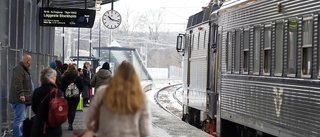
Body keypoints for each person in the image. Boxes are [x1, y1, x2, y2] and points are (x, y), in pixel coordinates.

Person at [85, 61, 151, 137]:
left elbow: (89, 120)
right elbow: (145, 131)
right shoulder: (141, 97)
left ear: (116, 75)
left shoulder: (102, 92)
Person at [31, 68, 62, 137]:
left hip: (39, 124)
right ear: (53, 78)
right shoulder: (57, 92)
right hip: (54, 125)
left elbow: (34, 108)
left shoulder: (37, 91)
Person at [9, 54, 33, 137]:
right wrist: (21, 94)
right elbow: (18, 82)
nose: (31, 63)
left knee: (20, 119)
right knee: (19, 120)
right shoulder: (19, 69)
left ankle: (18, 135)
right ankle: (16, 135)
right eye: (31, 61)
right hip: (19, 99)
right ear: (28, 61)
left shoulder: (23, 69)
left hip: (23, 99)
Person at [60, 65, 84, 130]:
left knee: (68, 109)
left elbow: (61, 87)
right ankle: (71, 123)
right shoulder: (78, 77)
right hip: (76, 96)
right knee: (73, 109)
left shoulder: (64, 77)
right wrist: (78, 91)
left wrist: (66, 90)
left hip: (67, 96)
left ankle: (69, 121)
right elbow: (82, 87)